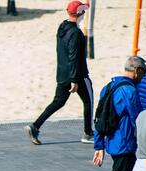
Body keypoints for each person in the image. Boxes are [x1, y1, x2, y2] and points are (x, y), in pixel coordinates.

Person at [24, 1, 94, 145]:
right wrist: (74, 80)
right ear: (80, 13)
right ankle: (88, 133)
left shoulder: (62, 27)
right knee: (88, 102)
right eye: (83, 12)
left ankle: (35, 126)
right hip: (77, 75)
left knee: (58, 102)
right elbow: (73, 56)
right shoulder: (75, 32)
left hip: (62, 74)